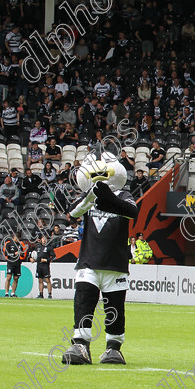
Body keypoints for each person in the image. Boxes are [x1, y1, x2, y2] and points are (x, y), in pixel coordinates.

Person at [61, 154, 139, 365]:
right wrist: (92, 195)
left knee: (114, 308)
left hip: (115, 263)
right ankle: (80, 344)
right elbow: (73, 213)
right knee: (84, 300)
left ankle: (113, 348)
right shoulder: (90, 195)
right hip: (89, 261)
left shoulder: (124, 195)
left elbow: (133, 212)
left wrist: (108, 197)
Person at [2, 232, 27, 297]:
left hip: (17, 263)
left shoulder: (20, 245)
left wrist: (21, 254)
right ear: (14, 237)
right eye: (16, 238)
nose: (17, 239)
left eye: (18, 238)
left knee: (16, 278)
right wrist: (14, 254)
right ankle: (6, 293)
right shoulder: (8, 244)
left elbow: (23, 254)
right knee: (9, 277)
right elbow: (6, 254)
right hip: (10, 263)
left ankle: (13, 293)